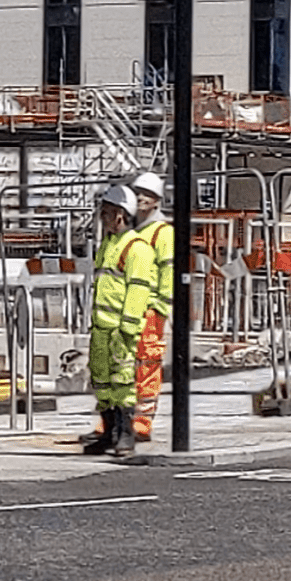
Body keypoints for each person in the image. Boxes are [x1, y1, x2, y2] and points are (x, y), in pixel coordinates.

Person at [85, 184, 157, 457]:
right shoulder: (108, 245)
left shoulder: (137, 249)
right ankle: (109, 432)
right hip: (102, 327)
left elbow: (138, 289)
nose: (103, 218)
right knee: (102, 382)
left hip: (119, 329)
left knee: (123, 382)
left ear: (120, 215)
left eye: (107, 213)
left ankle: (126, 435)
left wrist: (128, 327)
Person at [129, 171, 174, 442]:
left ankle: (142, 421)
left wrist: (161, 306)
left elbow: (168, 270)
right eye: (137, 194)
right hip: (126, 309)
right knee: (121, 366)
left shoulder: (161, 232)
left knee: (147, 365)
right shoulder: (132, 230)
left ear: (157, 201)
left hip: (149, 310)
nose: (141, 198)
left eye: (147, 195)